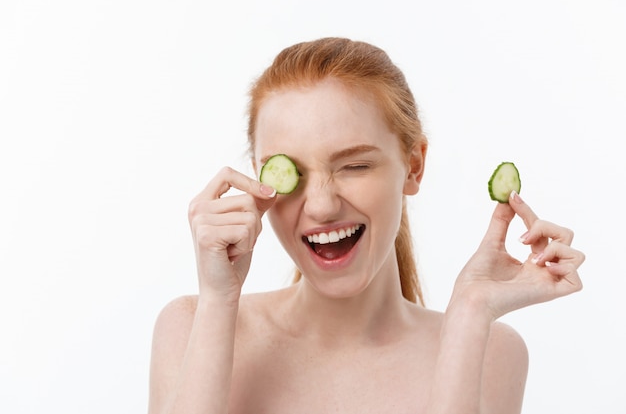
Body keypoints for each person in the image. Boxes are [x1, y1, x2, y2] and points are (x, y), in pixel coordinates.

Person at [147, 37, 585, 414]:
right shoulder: (191, 324)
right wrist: (220, 299)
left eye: (354, 165)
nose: (320, 206)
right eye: (289, 172)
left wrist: (469, 315)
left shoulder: (493, 349)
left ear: (413, 167)